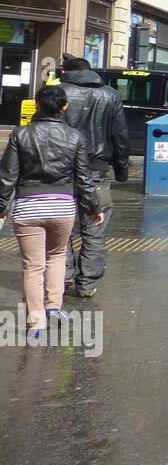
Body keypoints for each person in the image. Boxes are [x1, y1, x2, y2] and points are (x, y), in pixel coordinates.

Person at [0, 85, 104, 339]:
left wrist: (1, 208)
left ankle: (36, 322)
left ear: (36, 105)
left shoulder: (20, 135)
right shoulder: (75, 137)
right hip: (62, 206)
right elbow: (83, 178)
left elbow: (7, 177)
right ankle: (54, 306)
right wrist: (94, 208)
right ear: (64, 106)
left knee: (32, 266)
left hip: (28, 206)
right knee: (57, 256)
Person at [59, 56, 129, 299]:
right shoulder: (110, 95)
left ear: (66, 71)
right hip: (97, 171)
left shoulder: (58, 92)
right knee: (95, 229)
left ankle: (64, 276)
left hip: (63, 171)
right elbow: (120, 136)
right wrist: (121, 170)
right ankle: (87, 284)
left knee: (63, 229)